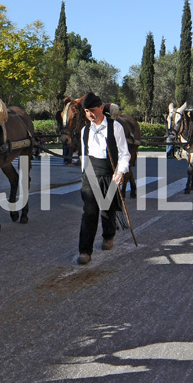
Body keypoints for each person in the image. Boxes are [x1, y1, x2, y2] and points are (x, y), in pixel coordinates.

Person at [77, 92, 130, 265]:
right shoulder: (85, 130)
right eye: (86, 111)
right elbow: (84, 156)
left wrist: (120, 172)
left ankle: (109, 236)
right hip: (91, 173)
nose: (90, 114)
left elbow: (124, 154)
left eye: (92, 110)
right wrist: (83, 174)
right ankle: (85, 251)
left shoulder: (115, 127)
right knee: (89, 212)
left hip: (110, 172)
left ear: (101, 108)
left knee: (108, 209)